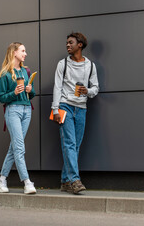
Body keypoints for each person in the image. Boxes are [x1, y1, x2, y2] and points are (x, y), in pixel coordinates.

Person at [51, 32, 99, 194]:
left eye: (70, 42)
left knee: (75, 146)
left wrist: (88, 91)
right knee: (69, 143)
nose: (67, 45)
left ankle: (65, 180)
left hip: (81, 108)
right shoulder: (62, 64)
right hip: (65, 106)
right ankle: (74, 180)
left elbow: (96, 88)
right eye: (66, 43)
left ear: (80, 45)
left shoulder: (90, 66)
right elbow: (57, 87)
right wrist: (55, 109)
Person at [0, 42, 37, 194]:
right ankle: (27, 182)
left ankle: (1, 180)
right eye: (23, 51)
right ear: (14, 52)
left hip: (27, 110)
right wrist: (14, 93)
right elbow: (1, 98)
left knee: (14, 148)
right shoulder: (5, 74)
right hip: (13, 111)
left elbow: (31, 95)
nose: (25, 54)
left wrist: (29, 90)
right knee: (19, 148)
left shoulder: (26, 71)